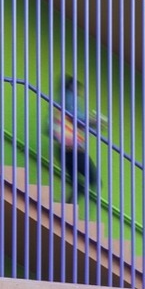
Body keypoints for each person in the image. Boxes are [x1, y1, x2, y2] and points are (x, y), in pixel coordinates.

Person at [52, 74, 99, 204]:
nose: (79, 94)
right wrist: (93, 120)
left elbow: (76, 122)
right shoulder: (69, 96)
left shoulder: (63, 100)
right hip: (73, 149)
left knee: (78, 182)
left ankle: (70, 203)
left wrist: (91, 123)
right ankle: (71, 203)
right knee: (94, 179)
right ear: (73, 87)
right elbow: (76, 116)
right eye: (78, 90)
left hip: (65, 148)